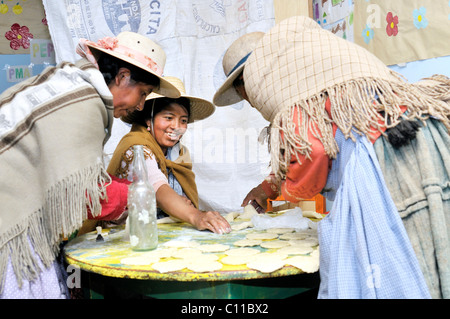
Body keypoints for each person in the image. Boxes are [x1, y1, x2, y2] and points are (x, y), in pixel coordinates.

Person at [216, 16, 450, 298]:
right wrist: (268, 188)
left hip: (385, 168)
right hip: (423, 145)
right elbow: (323, 131)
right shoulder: (319, 64)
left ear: (247, 81)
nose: (251, 101)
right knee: (432, 251)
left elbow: (312, 153)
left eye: (244, 94)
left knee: (390, 264)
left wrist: (289, 195)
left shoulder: (290, 87)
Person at [0, 31, 181, 298]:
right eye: (142, 93)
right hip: (13, 224)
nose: (140, 105)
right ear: (121, 77)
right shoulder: (84, 103)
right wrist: (131, 195)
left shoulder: (72, 85)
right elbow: (80, 193)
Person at [107, 76, 231, 235]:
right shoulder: (136, 147)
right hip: (129, 236)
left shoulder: (179, 153)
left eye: (183, 120)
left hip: (166, 234)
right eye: (168, 118)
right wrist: (196, 216)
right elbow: (157, 186)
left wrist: (181, 203)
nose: (176, 127)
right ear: (148, 119)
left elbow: (178, 196)